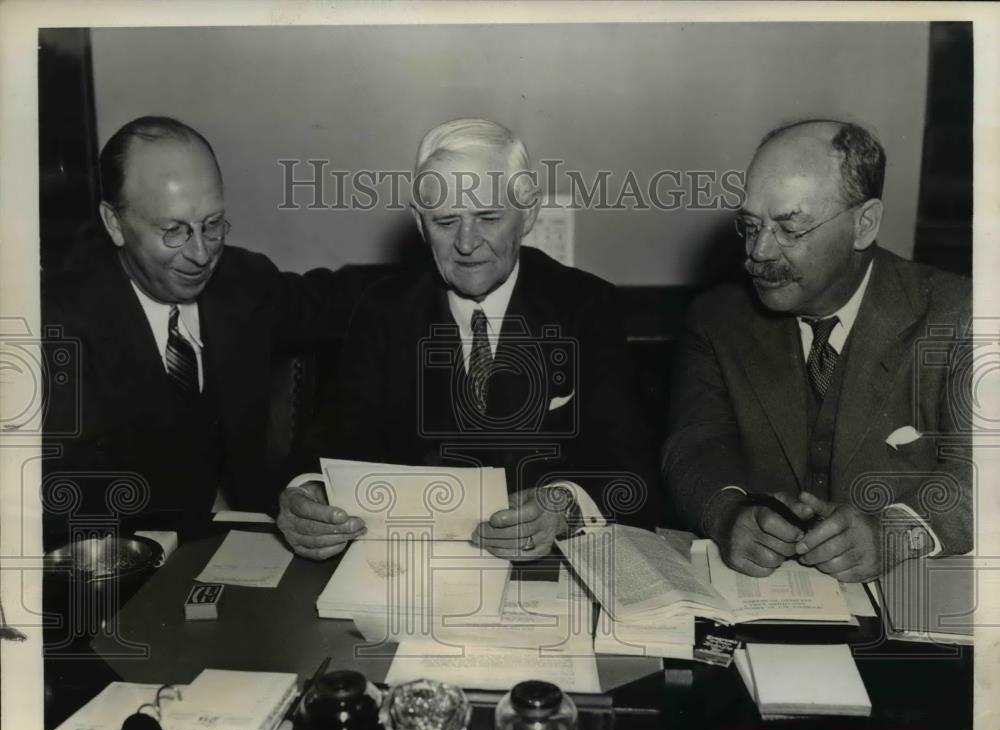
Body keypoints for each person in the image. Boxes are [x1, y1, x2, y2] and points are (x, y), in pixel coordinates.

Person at [277, 118, 663, 560]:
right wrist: (305, 495)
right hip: (413, 568)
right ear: (420, 226)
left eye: (488, 217)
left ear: (529, 213)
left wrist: (566, 507)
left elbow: (631, 473)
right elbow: (330, 445)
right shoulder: (383, 310)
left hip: (545, 572)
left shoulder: (587, 306)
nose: (466, 243)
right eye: (445, 222)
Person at [662, 119, 972, 582]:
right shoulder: (718, 317)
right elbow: (693, 446)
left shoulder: (960, 314)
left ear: (864, 223)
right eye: (750, 226)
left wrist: (900, 529)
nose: (760, 252)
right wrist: (727, 514)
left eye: (791, 228)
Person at [42, 116, 353, 545]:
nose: (201, 254)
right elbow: (58, 506)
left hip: (251, 553)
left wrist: (449, 258)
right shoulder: (54, 322)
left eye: (212, 224)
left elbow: (341, 301)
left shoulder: (242, 281)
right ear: (114, 223)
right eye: (173, 231)